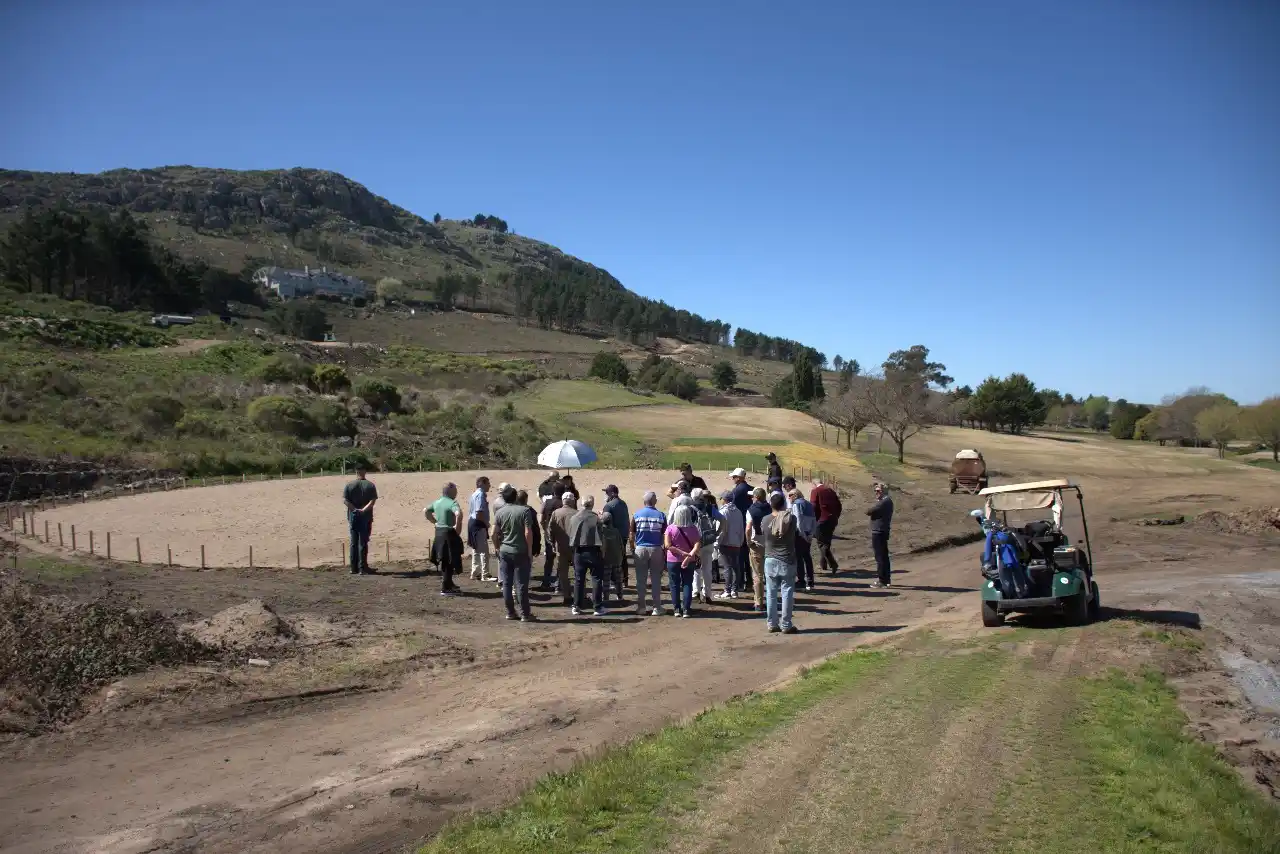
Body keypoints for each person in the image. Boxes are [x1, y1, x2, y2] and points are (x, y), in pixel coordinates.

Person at [491, 485, 535, 621]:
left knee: (507, 584)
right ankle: (525, 613)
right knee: (521, 584)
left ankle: (510, 612)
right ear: (515, 497)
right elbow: (528, 532)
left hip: (505, 550)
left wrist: (497, 548)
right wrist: (529, 551)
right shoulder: (524, 511)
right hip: (520, 551)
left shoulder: (500, 512)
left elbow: (493, 533)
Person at [762, 492, 799, 634]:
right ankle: (786, 624)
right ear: (783, 504)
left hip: (770, 559)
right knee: (787, 593)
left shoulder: (765, 520)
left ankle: (772, 623)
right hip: (787, 558)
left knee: (771, 593)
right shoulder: (791, 519)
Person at [568, 494, 607, 616]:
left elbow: (571, 536)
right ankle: (597, 607)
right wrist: (603, 552)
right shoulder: (596, 519)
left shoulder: (574, 518)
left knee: (579, 580)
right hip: (594, 551)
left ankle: (576, 606)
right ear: (592, 504)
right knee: (596, 579)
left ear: (581, 504)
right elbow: (602, 537)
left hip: (579, 551)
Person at [630, 491, 667, 616]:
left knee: (641, 579)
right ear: (654, 501)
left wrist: (632, 547)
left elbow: (632, 534)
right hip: (656, 548)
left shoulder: (636, 515)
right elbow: (664, 534)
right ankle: (657, 607)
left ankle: (641, 607)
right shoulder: (661, 515)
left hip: (640, 548)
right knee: (656, 579)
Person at [664, 504, 702, 618]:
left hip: (673, 560)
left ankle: (676, 609)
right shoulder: (693, 528)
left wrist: (681, 553)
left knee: (674, 585)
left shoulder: (670, 528)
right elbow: (697, 543)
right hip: (689, 560)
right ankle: (686, 609)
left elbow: (667, 545)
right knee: (687, 584)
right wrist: (689, 554)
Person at [425, 482, 463, 596]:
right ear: (450, 491)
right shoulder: (452, 503)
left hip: (439, 533)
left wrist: (435, 522)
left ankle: (449, 583)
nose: (456, 492)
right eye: (455, 490)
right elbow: (458, 513)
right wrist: (457, 528)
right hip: (449, 533)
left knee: (445, 559)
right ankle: (446, 587)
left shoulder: (437, 502)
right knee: (449, 560)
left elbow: (426, 511)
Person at [342, 464, 377, 575]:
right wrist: (363, 510)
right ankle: (363, 568)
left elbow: (345, 501)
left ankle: (353, 568)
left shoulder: (349, 485)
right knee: (363, 542)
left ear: (356, 471)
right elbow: (372, 502)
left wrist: (355, 510)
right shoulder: (370, 485)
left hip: (353, 517)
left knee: (353, 542)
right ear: (364, 471)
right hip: (365, 517)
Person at [689, 489, 719, 604]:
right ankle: (707, 595)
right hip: (709, 541)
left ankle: (696, 593)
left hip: (696, 543)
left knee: (696, 568)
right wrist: (716, 533)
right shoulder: (710, 507)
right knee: (707, 569)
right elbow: (723, 520)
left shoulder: (691, 508)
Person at [745, 487, 771, 612]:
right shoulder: (770, 507)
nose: (751, 498)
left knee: (757, 575)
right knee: (770, 574)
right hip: (770, 543)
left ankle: (759, 603)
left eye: (753, 496)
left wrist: (749, 541)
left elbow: (748, 528)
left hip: (757, 544)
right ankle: (770, 600)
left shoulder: (751, 510)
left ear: (756, 497)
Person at [809, 477, 843, 575]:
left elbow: (813, 506)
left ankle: (833, 564)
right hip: (833, 519)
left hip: (822, 520)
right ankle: (823, 564)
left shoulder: (815, 491)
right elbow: (839, 505)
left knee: (821, 543)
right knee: (826, 542)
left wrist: (813, 520)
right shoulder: (831, 491)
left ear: (814, 484)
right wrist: (836, 516)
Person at [715, 489, 745, 600]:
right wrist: (740, 541)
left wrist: (717, 542)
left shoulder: (723, 512)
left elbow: (721, 529)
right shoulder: (738, 511)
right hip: (736, 542)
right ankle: (734, 590)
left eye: (721, 498)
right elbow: (741, 528)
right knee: (735, 567)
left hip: (726, 542)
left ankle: (727, 591)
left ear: (724, 499)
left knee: (727, 568)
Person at [550, 493, 578, 607]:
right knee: (578, 573)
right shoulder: (577, 513)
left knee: (563, 573)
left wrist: (552, 543)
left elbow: (550, 530)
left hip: (560, 547)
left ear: (563, 501)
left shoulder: (556, 513)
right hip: (575, 548)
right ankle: (578, 596)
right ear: (572, 501)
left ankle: (567, 596)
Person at [788, 487, 817, 592]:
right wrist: (811, 535)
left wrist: (803, 535)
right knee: (807, 557)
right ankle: (810, 580)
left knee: (799, 558)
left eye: (790, 495)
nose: (789, 498)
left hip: (800, 534)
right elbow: (814, 520)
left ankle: (801, 581)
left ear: (795, 495)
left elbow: (798, 521)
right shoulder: (809, 504)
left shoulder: (796, 504)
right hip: (808, 534)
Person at [536, 473, 562, 591]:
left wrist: (545, 529)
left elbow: (541, 519)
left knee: (549, 559)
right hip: (562, 535)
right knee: (561, 559)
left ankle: (546, 582)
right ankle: (559, 584)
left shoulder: (547, 503)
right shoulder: (565, 503)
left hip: (549, 534)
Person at [867, 481, 894, 588]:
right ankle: (886, 580)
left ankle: (882, 580)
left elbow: (869, 511)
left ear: (883, 491)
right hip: (881, 530)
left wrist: (876, 503)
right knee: (883, 557)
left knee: (880, 557)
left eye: (878, 491)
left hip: (879, 531)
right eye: (875, 491)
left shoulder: (884, 502)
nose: (876, 493)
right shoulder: (886, 501)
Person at [602, 485, 630, 589]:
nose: (606, 495)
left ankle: (613, 581)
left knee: (611, 558)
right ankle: (625, 580)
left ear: (612, 493)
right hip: (624, 534)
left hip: (613, 536)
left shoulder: (609, 506)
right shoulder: (623, 503)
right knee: (623, 557)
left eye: (607, 493)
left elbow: (606, 521)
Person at [468, 477, 494, 581]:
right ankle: (485, 574)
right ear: (482, 484)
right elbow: (479, 513)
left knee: (476, 549)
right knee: (484, 551)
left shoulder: (474, 494)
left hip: (473, 523)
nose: (489, 485)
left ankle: (475, 572)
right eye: (488, 483)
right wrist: (486, 523)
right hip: (478, 523)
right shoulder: (480, 495)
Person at [600, 510, 624, 604]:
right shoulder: (616, 531)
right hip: (617, 559)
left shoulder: (602, 531)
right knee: (618, 579)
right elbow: (621, 545)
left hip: (606, 559)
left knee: (605, 580)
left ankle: (605, 597)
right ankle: (620, 596)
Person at [517, 489, 542, 563]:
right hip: (528, 545)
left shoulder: (511, 511)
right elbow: (536, 530)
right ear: (526, 499)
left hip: (514, 545)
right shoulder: (530, 511)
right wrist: (537, 547)